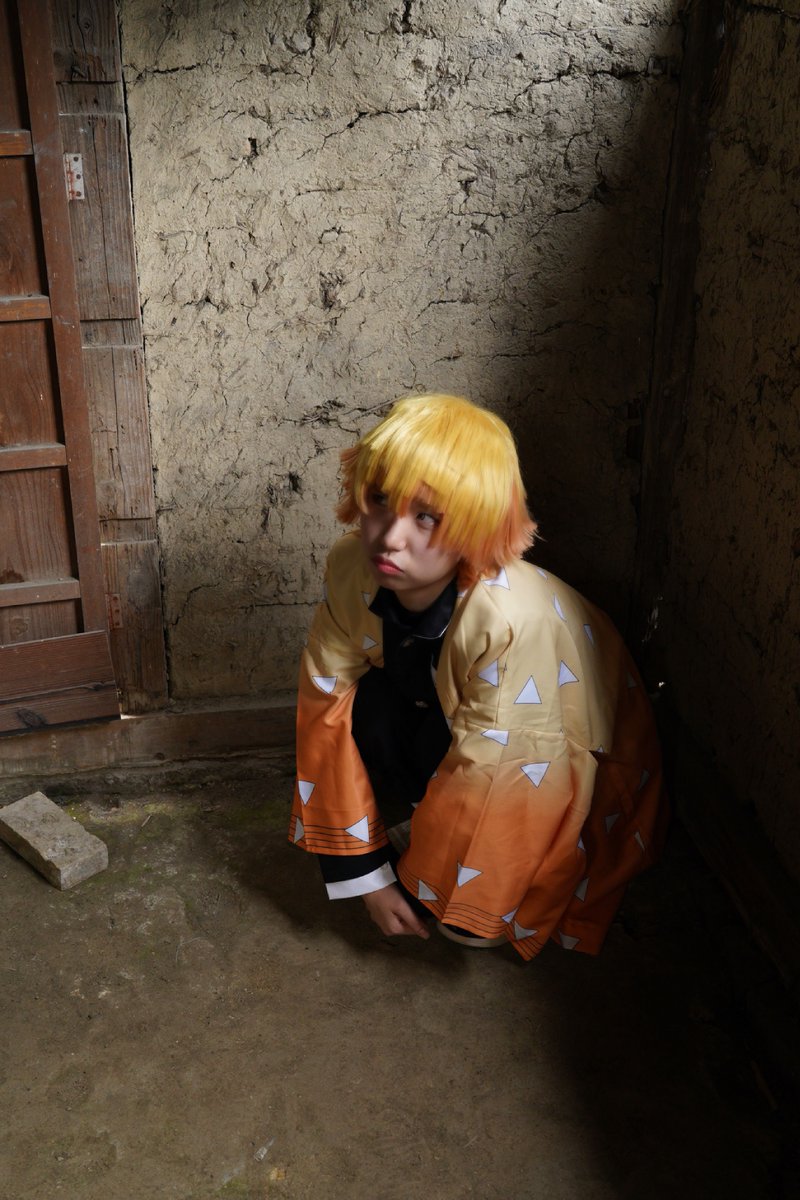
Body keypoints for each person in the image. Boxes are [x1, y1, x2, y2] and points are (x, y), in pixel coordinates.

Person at [288, 393, 667, 960]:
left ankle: (446, 852)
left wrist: (419, 883)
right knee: (355, 706)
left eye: (427, 517)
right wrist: (366, 875)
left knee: (468, 916)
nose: (390, 538)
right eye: (381, 500)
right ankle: (424, 825)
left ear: (474, 524)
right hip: (455, 716)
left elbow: (504, 774)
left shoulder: (511, 621)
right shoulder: (351, 566)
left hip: (565, 755)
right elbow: (324, 700)